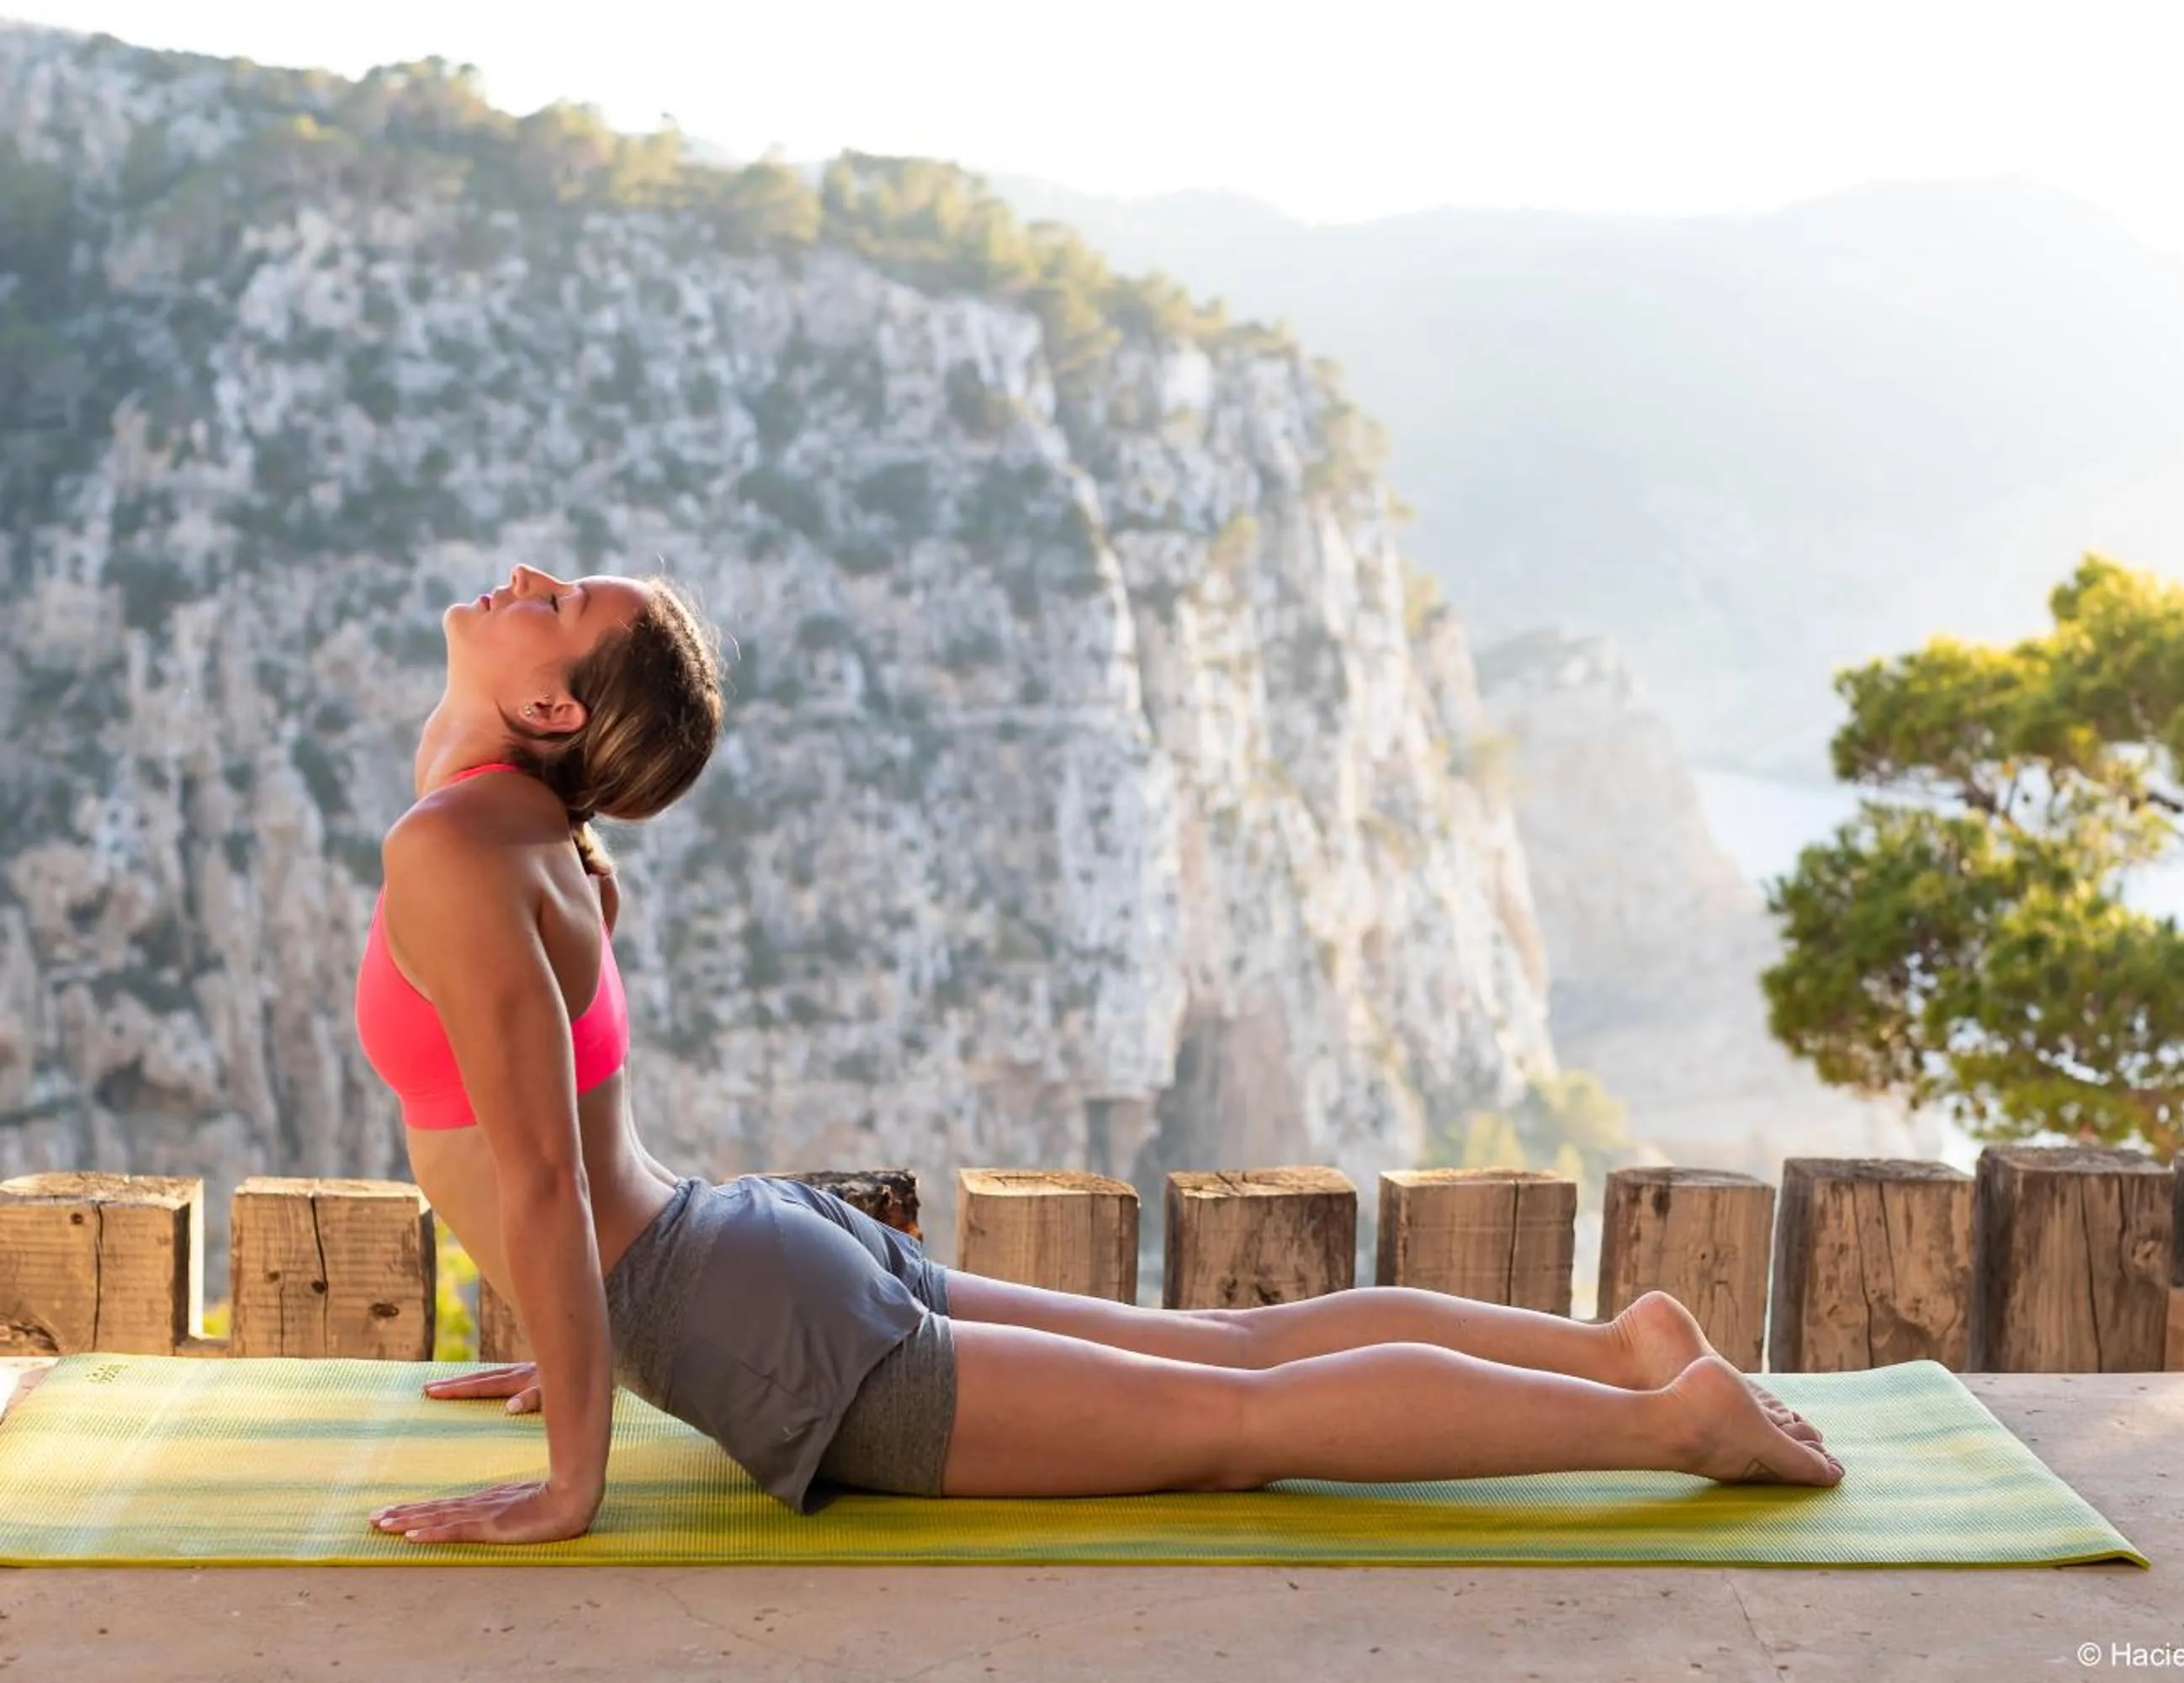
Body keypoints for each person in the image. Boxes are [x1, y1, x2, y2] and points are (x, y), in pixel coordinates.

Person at [359, 564, 1842, 1548]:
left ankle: (1665, 1417)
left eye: (556, 598)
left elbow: (545, 1182)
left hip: (745, 1309)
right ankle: (1617, 1349)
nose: (525, 580)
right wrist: (580, 1349)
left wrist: (573, 1473)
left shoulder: (459, 843)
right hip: (734, 1249)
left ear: (552, 707)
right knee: (1232, 1353)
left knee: (1234, 1421)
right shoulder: (525, 830)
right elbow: (556, 1165)